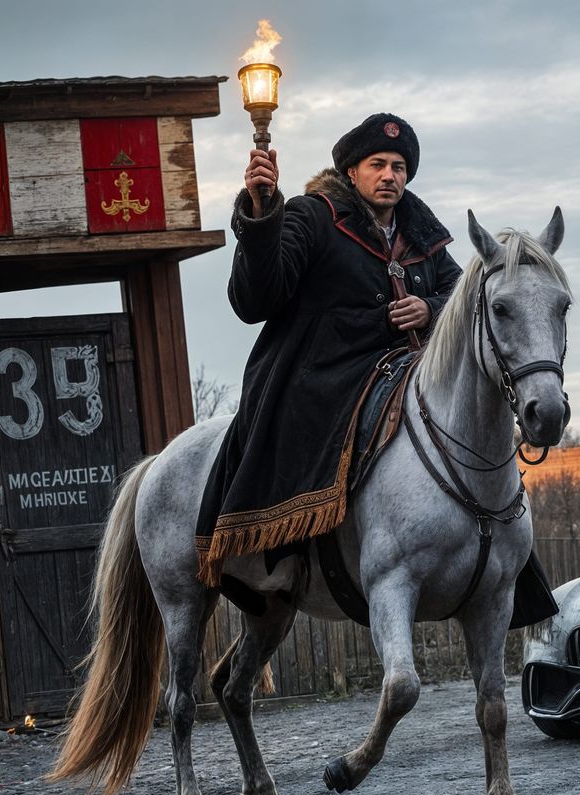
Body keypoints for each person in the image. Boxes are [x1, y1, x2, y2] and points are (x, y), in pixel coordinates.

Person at [194, 113, 461, 583]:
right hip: (322, 375)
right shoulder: (313, 215)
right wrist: (262, 216)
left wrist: (431, 308)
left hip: (407, 374)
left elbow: (463, 295)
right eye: (377, 164)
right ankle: (296, 547)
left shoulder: (421, 232)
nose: (389, 175)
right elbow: (258, 298)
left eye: (398, 167)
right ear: (352, 172)